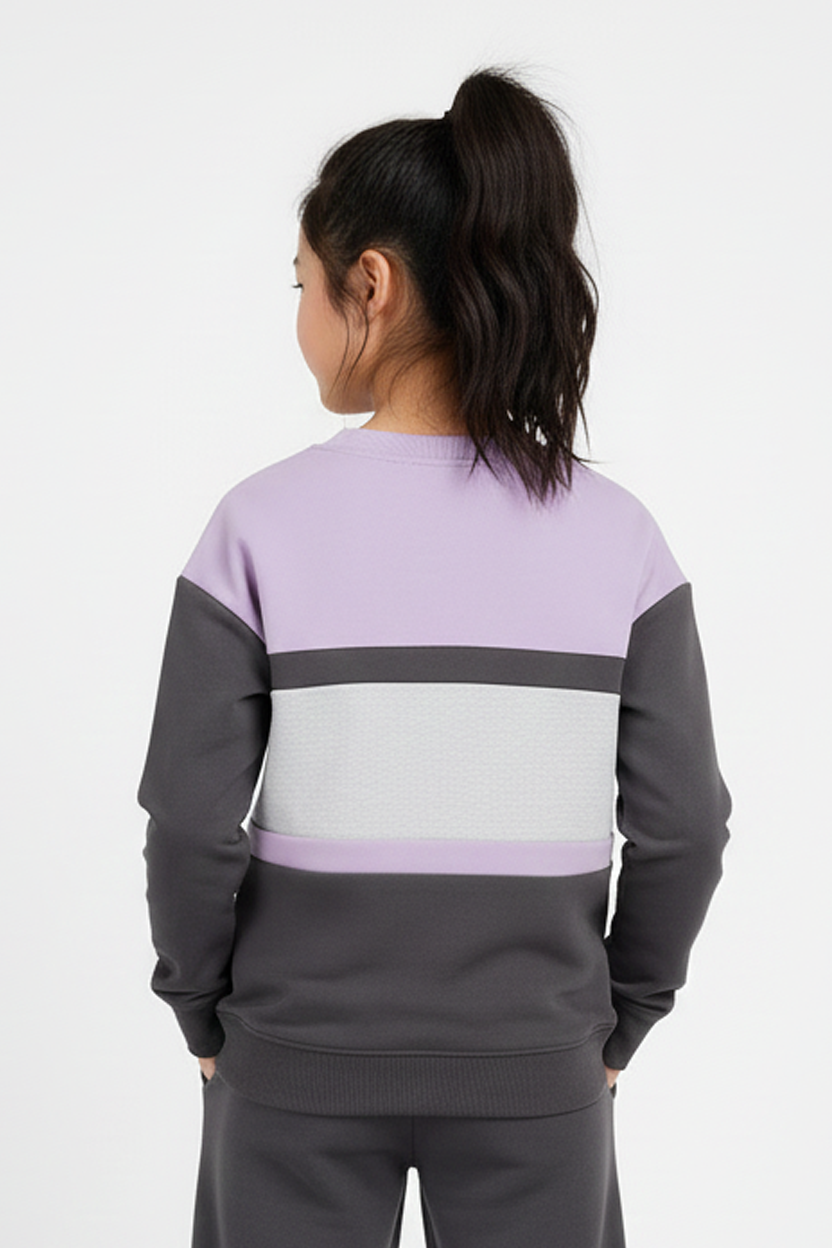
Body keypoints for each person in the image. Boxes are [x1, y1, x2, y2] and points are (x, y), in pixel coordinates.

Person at [139, 64, 731, 1248]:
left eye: (300, 282)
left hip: (292, 1062)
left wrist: (204, 1012)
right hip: (538, 1070)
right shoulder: (620, 540)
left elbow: (191, 823)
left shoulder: (256, 525)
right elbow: (684, 829)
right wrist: (614, 1024)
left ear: (370, 283)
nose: (298, 316)